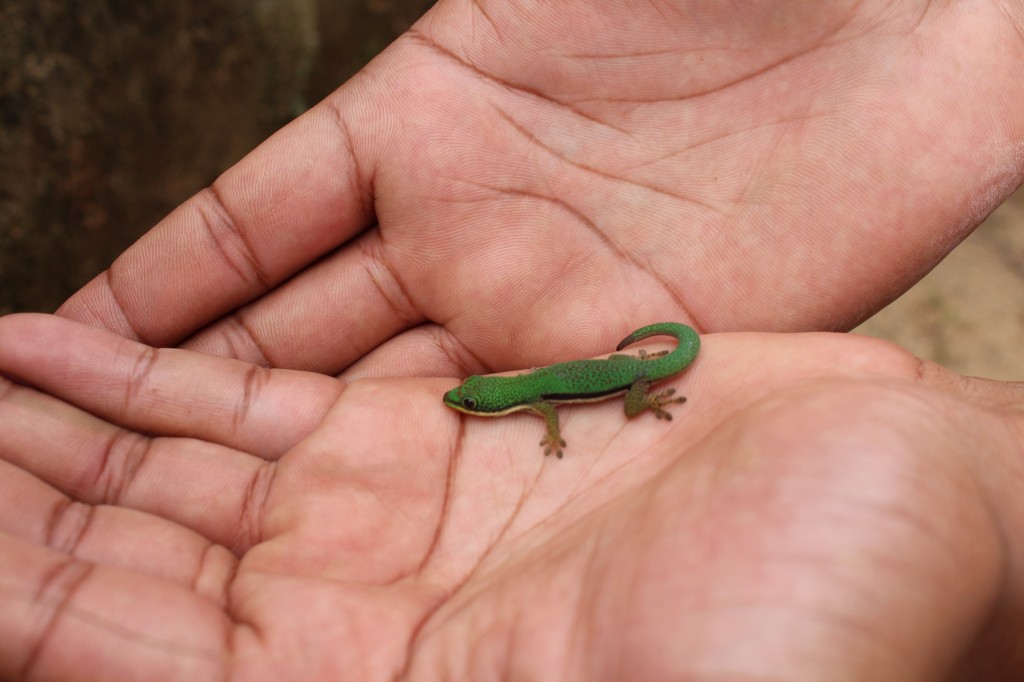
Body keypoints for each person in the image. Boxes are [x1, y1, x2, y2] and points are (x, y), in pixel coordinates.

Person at [2, 2, 1023, 679]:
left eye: (465, 399)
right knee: (634, 373)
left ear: (486, 398)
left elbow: (538, 402)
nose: (461, 401)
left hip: (631, 371)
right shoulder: (514, 388)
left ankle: (657, 390)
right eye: (468, 401)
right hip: (624, 366)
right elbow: (529, 394)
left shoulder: (523, 396)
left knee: (647, 374)